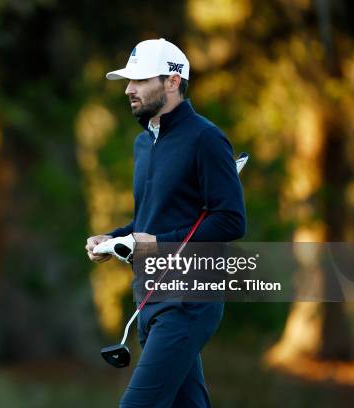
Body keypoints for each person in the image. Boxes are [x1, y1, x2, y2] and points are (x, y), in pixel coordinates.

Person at [85, 38, 246, 408]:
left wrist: (155, 244)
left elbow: (231, 221)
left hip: (189, 300)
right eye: (129, 80)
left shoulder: (206, 139)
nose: (128, 89)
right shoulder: (144, 143)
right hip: (150, 297)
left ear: (172, 82)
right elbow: (151, 220)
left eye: (140, 80)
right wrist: (112, 239)